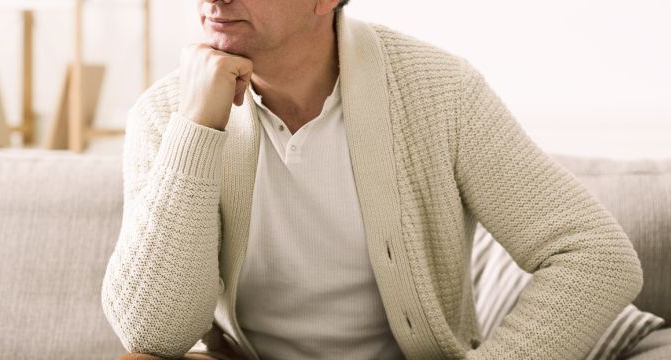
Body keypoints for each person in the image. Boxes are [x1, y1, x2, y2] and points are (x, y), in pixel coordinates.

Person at [101, 0, 644, 359]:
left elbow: (595, 256)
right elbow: (153, 333)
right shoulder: (166, 113)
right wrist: (196, 127)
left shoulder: (439, 91)